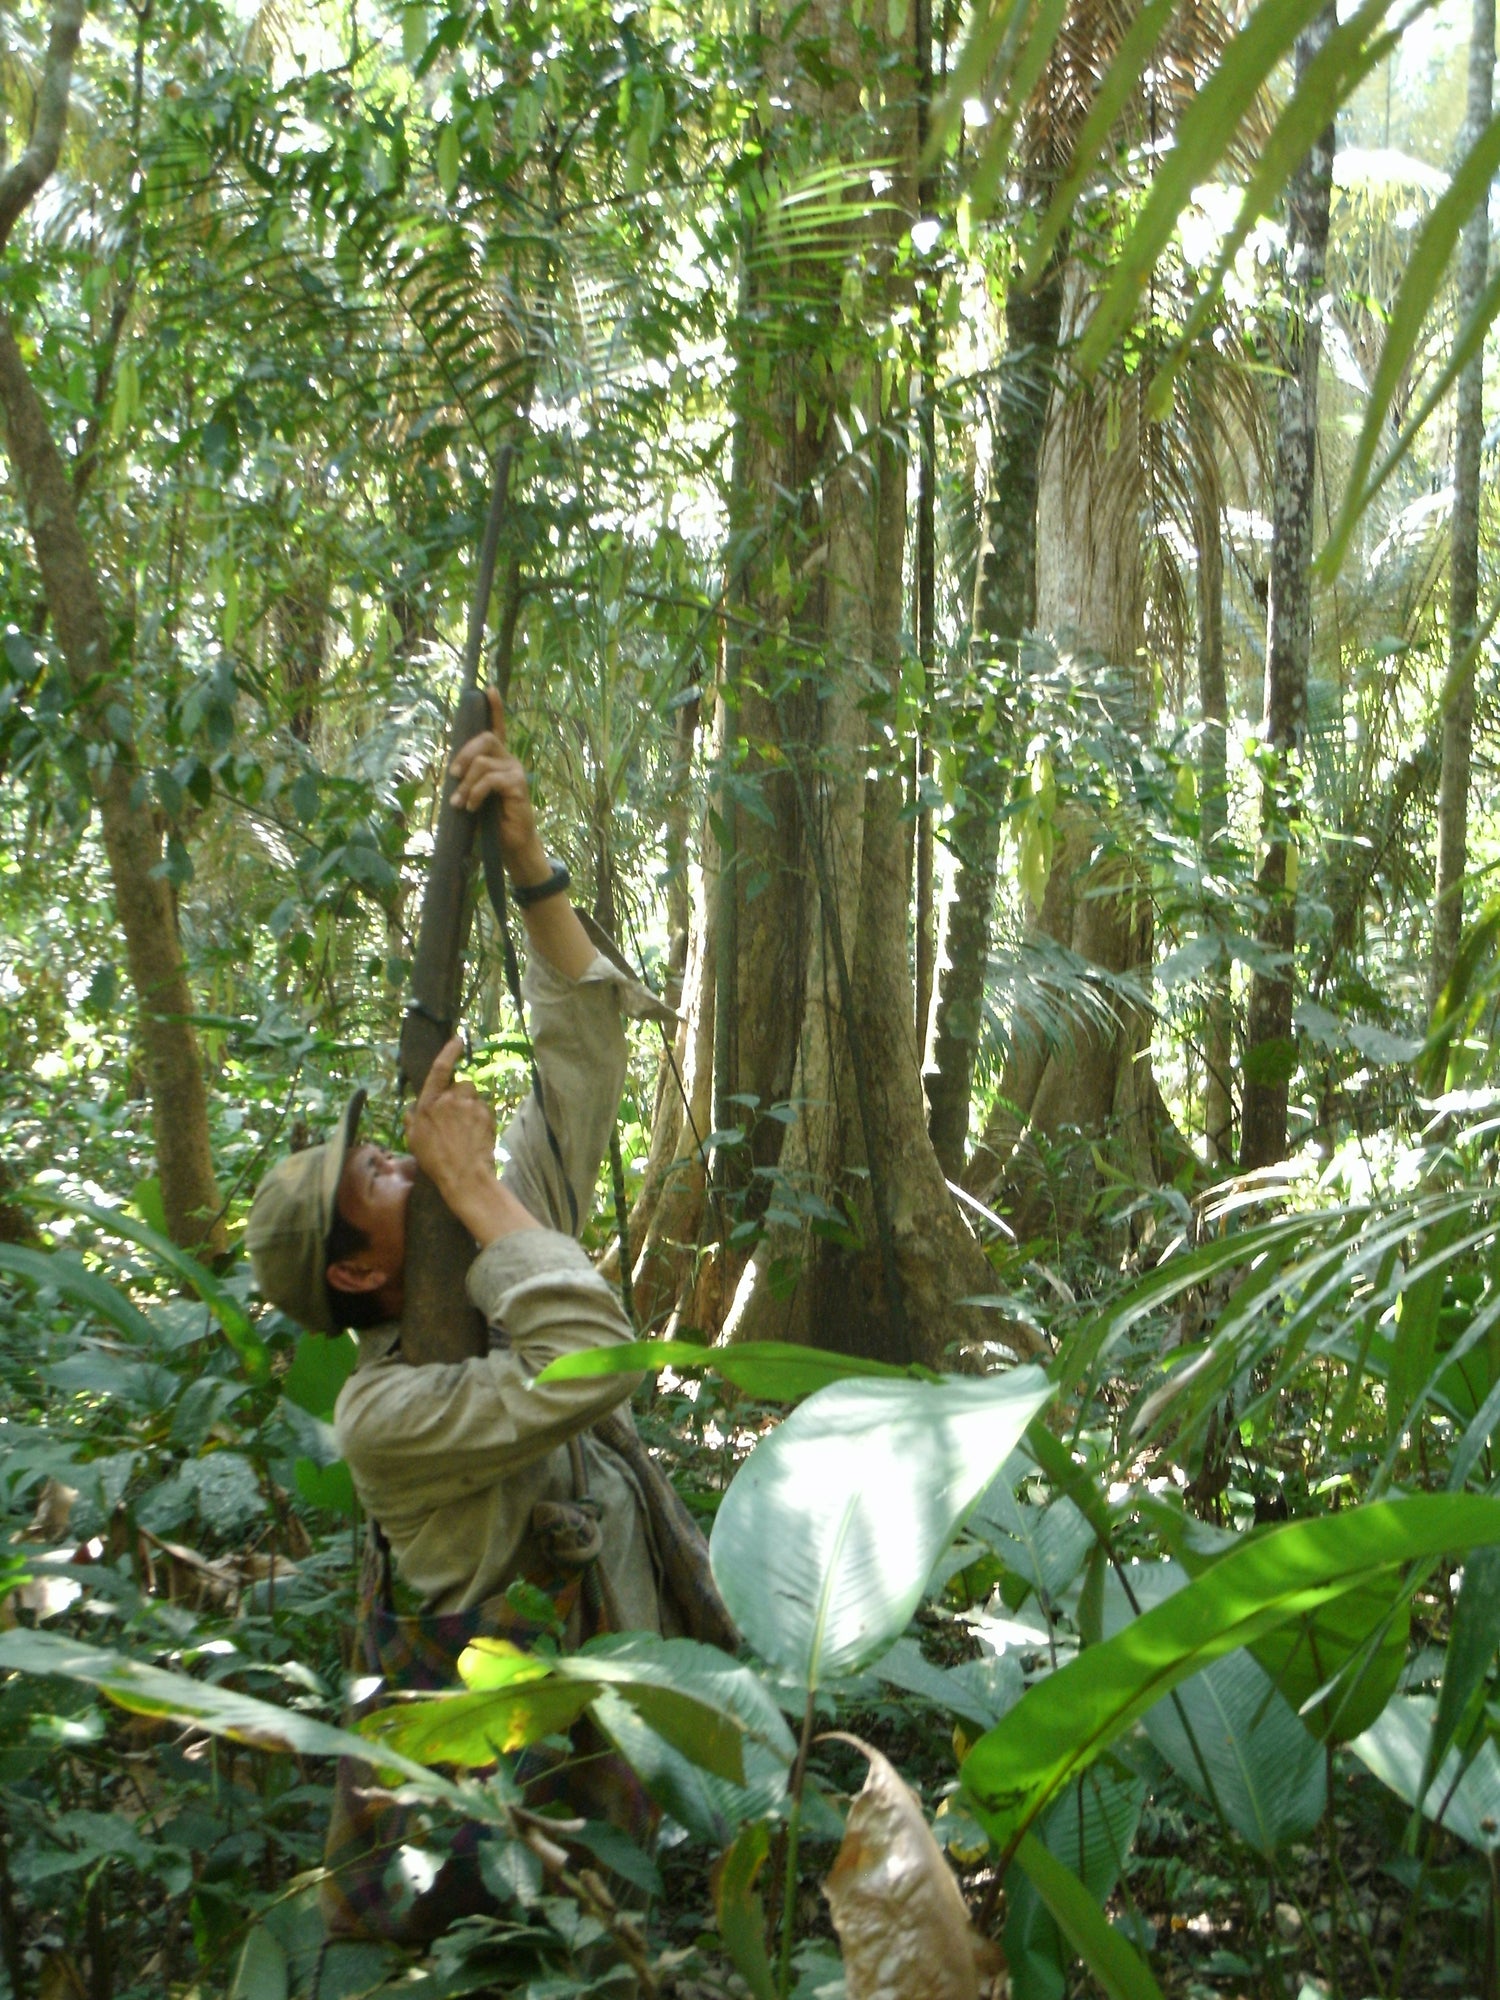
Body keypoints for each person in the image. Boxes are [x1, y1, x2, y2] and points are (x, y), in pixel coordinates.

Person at [244, 695, 727, 1941]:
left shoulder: (483, 1241)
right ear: (354, 1275)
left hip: (593, 1730)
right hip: (486, 1804)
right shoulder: (383, 1411)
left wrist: (526, 858)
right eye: (384, 1178)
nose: (408, 1161)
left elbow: (583, 1056)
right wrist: (470, 1183)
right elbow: (589, 1358)